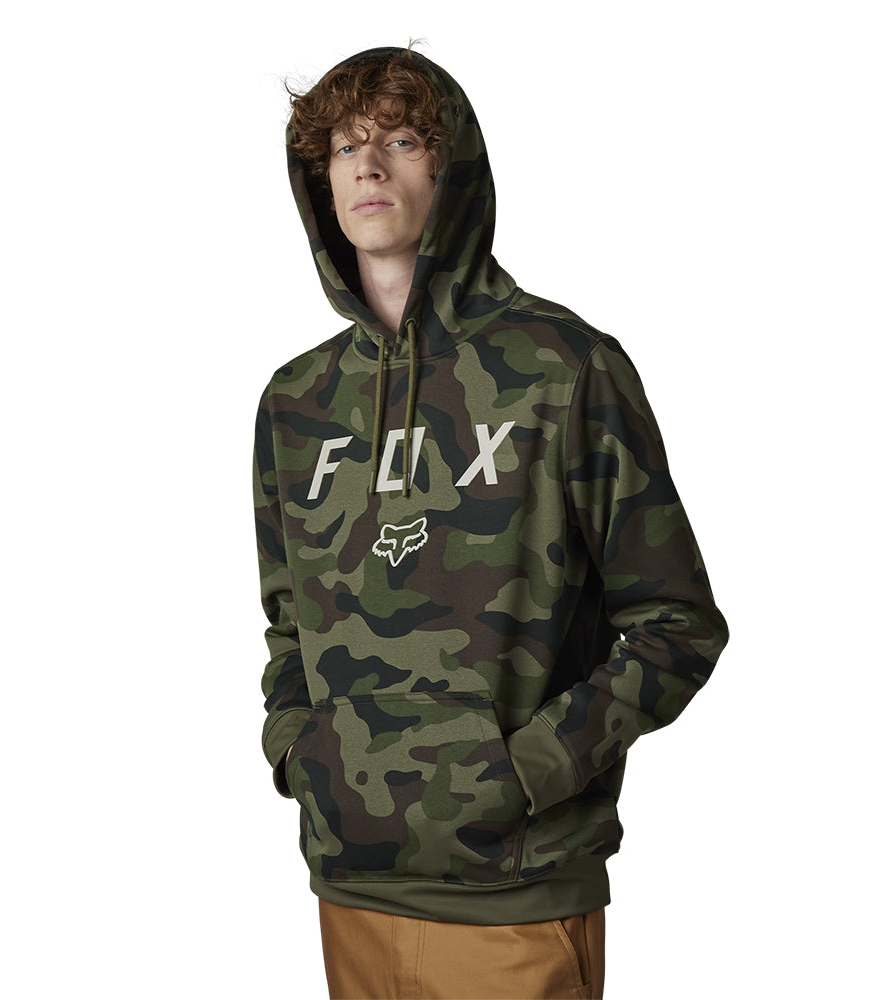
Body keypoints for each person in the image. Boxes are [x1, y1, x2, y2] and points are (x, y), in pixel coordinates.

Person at [253, 45, 728, 1000]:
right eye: (345, 147)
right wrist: (300, 753)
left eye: (400, 140)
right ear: (320, 181)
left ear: (453, 169)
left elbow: (677, 627)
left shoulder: (566, 367)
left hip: (515, 893)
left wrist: (527, 772)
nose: (368, 165)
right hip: (350, 884)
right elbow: (288, 625)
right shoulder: (297, 401)